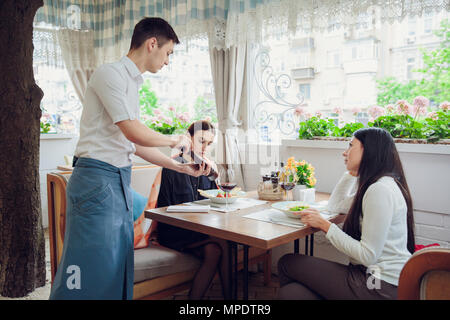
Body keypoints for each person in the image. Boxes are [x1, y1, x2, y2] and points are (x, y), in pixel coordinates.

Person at [49, 17, 210, 300]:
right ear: (152, 44)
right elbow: (133, 130)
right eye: (168, 52)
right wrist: (175, 139)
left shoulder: (131, 84)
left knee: (115, 268)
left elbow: (129, 141)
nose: (168, 61)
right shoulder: (109, 74)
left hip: (116, 180)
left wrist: (179, 166)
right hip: (96, 180)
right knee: (86, 270)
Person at [277, 127, 415, 300]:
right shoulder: (375, 185)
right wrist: (351, 173)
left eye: (350, 146)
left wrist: (325, 225)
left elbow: (368, 255)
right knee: (290, 294)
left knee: (287, 263)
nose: (345, 152)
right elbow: (335, 206)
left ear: (369, 151)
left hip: (380, 284)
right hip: (368, 276)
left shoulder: (379, 190)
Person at [156, 120, 231, 300]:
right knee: (222, 241)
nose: (205, 147)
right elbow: (164, 209)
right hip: (174, 230)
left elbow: (215, 200)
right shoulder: (172, 167)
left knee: (215, 249)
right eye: (201, 141)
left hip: (200, 229)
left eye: (209, 143)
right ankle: (232, 299)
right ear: (189, 138)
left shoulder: (207, 170)